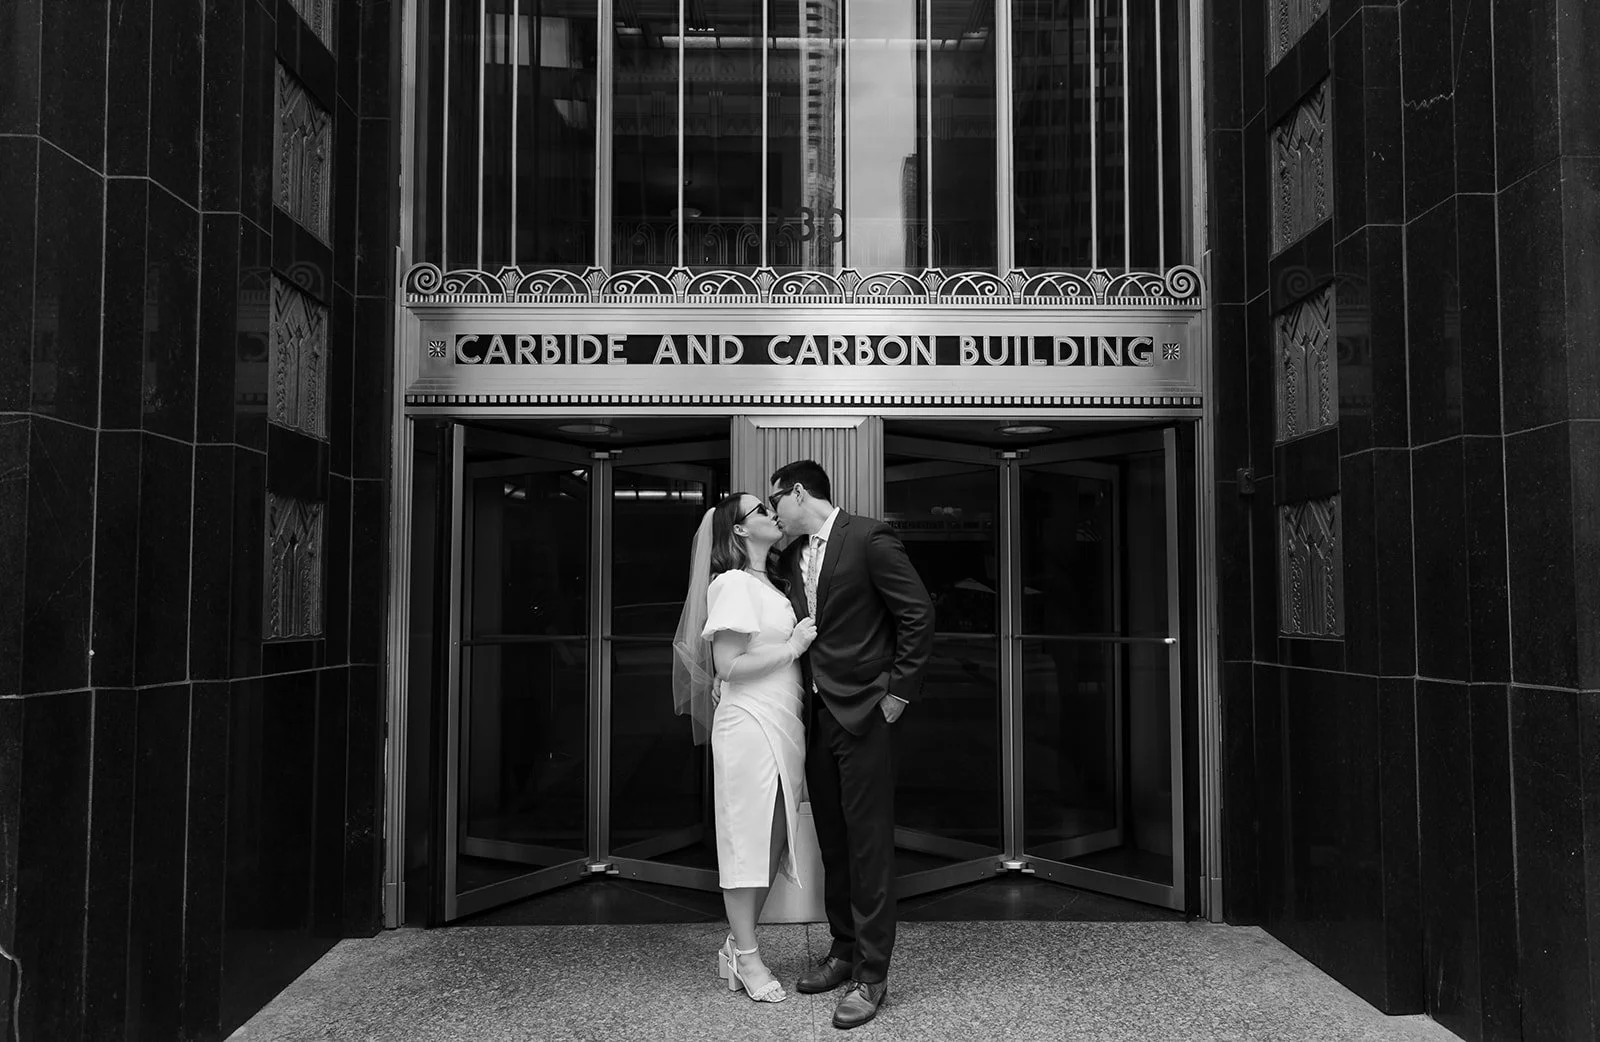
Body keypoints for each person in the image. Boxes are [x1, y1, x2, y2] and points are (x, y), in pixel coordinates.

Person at [768, 460, 934, 1029]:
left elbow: (917, 614)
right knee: (834, 842)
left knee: (868, 846)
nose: (774, 513)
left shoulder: (869, 537)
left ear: (798, 493)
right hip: (816, 718)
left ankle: (873, 973)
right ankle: (843, 950)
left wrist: (898, 695)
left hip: (866, 712)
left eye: (776, 502)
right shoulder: (790, 555)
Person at [671, 493, 818, 1003]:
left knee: (775, 836)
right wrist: (794, 647)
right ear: (738, 531)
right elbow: (729, 665)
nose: (772, 515)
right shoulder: (731, 582)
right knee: (746, 839)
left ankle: (737, 944)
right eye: (760, 510)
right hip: (751, 721)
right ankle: (749, 956)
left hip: (784, 719)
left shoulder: (771, 583)